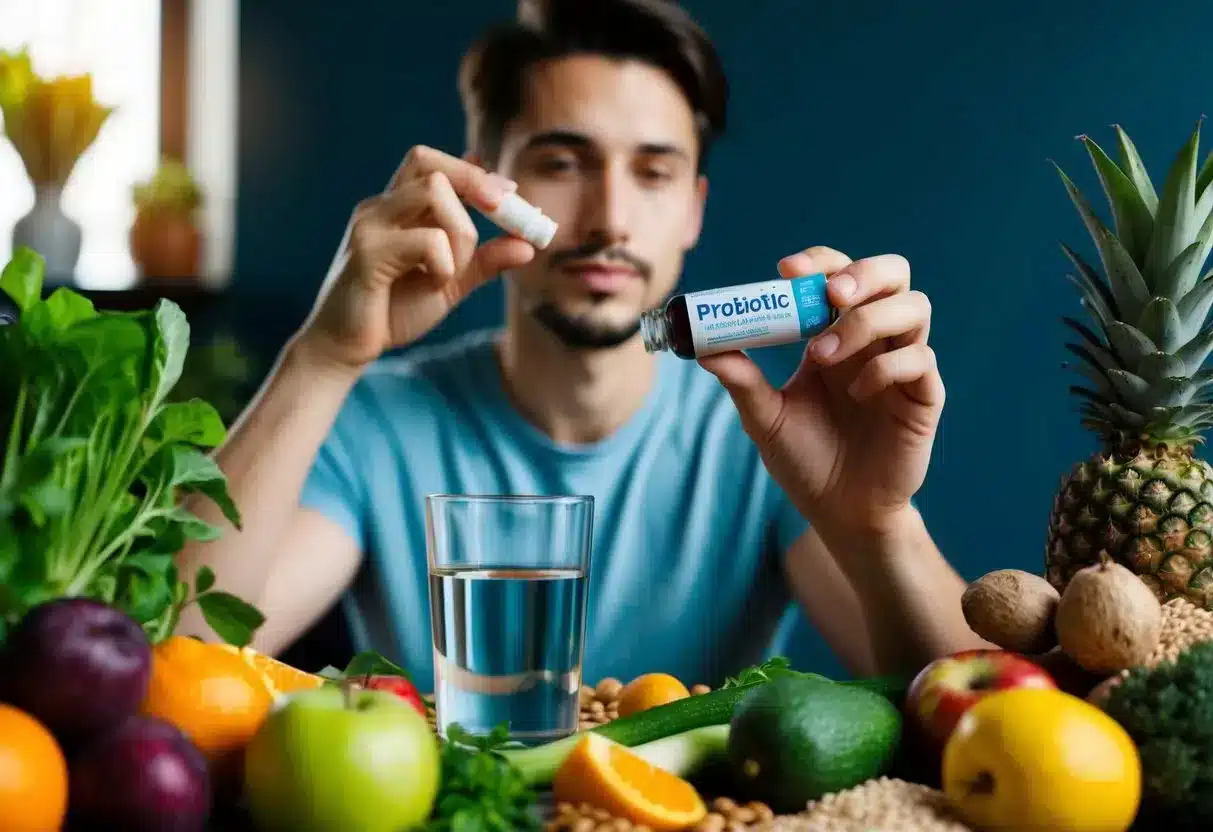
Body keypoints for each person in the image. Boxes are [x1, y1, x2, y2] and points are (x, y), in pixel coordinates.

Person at [176, 0, 987, 688]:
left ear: (693, 209)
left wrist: (877, 524)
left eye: (653, 172)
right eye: (563, 161)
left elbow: (988, 726)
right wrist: (322, 357)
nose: (609, 219)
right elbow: (179, 663)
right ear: (488, 185)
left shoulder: (776, 437)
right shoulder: (373, 424)